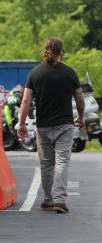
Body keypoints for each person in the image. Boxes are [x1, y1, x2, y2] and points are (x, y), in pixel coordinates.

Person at [17, 37, 83, 214]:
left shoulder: (35, 73)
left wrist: (21, 124)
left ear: (44, 50)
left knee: (46, 164)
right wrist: (81, 117)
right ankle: (59, 200)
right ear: (62, 52)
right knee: (62, 161)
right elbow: (79, 97)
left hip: (43, 126)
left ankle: (48, 199)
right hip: (65, 125)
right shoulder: (70, 72)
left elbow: (25, 100)